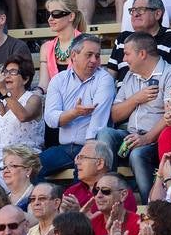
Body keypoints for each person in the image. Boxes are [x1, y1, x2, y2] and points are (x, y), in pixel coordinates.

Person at [97, 32, 171, 201]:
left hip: (157, 138)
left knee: (137, 154)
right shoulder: (130, 75)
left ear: (142, 54)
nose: (124, 59)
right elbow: (115, 115)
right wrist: (136, 98)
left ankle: (149, 204)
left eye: (127, 53)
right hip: (130, 134)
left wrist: (147, 138)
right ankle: (108, 189)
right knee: (105, 133)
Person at [40, 34, 116, 178]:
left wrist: (86, 152)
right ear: (74, 55)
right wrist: (75, 113)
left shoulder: (104, 79)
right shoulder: (58, 80)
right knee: (31, 168)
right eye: (89, 55)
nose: (94, 60)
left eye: (97, 56)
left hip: (90, 147)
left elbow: (98, 122)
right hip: (63, 148)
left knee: (84, 175)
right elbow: (50, 119)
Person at [108, 0, 171, 82]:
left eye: (141, 10)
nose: (135, 14)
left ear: (157, 14)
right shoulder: (123, 38)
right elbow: (110, 76)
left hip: (156, 92)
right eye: (133, 10)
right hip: (122, 94)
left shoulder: (170, 36)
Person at [62, 141, 137, 215]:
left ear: (100, 163)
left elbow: (120, 224)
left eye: (82, 157)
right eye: (77, 158)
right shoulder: (72, 191)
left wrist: (79, 215)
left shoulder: (120, 192)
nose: (77, 162)